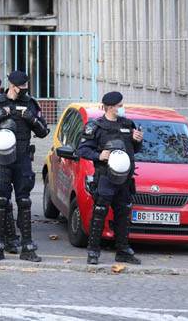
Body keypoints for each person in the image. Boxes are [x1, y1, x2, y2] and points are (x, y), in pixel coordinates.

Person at [0, 70, 49, 261]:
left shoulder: (30, 104)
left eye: (26, 86)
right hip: (1, 158)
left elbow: (43, 132)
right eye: (22, 87)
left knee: (24, 201)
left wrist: (30, 118)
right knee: (1, 200)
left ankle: (27, 246)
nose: (25, 90)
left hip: (22, 158)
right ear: (13, 87)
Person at [76, 91, 143, 265]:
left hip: (125, 179)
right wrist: (99, 155)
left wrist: (137, 140)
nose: (122, 108)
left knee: (123, 214)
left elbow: (135, 150)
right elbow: (82, 150)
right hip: (105, 177)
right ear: (111, 107)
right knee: (99, 213)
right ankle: (93, 251)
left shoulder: (127, 124)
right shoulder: (96, 126)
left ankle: (122, 250)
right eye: (120, 106)